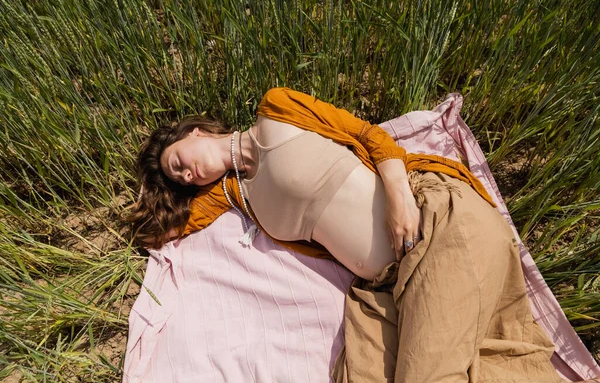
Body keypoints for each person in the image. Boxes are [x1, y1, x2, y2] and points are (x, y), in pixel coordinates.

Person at [130, 88, 592, 382]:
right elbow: (163, 232)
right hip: (388, 290)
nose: (188, 174)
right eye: (182, 180)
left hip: (436, 221)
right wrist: (154, 197)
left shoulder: (276, 109)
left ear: (191, 130)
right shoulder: (234, 195)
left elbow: (369, 135)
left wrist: (399, 195)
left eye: (178, 162)